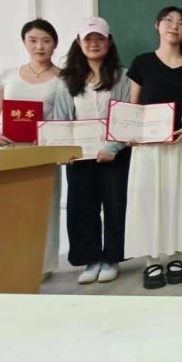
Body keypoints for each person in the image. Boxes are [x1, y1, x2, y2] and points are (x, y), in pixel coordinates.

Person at [124, 6, 182, 290]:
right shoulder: (142, 63)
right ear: (157, 25)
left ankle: (174, 258)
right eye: (168, 21)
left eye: (181, 23)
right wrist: (130, 132)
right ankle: (151, 260)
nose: (174, 26)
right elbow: (133, 105)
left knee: (177, 200)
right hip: (148, 148)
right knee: (148, 201)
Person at [50, 17, 130, 285]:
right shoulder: (67, 80)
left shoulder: (123, 76)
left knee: (116, 206)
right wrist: (65, 150)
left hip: (115, 154)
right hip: (79, 156)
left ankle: (112, 259)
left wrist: (113, 147)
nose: (94, 44)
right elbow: (61, 119)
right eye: (88, 39)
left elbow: (127, 116)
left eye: (100, 38)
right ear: (79, 42)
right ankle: (91, 259)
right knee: (82, 208)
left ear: (109, 42)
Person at [0, 19, 62, 277]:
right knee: (10, 210)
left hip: (43, 154)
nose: (40, 46)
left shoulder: (63, 79)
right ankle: (11, 263)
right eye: (33, 40)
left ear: (55, 44)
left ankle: (43, 267)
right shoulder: (7, 75)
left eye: (46, 41)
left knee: (44, 209)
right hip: (10, 153)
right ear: (24, 43)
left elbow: (66, 118)